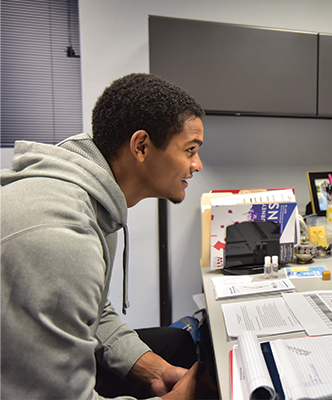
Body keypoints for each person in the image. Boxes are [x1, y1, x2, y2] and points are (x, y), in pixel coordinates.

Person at [1, 73, 207, 399]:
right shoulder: (64, 237)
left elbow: (92, 311)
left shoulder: (93, 198)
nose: (196, 164)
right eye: (190, 149)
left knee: (176, 344)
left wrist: (151, 366)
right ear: (141, 146)